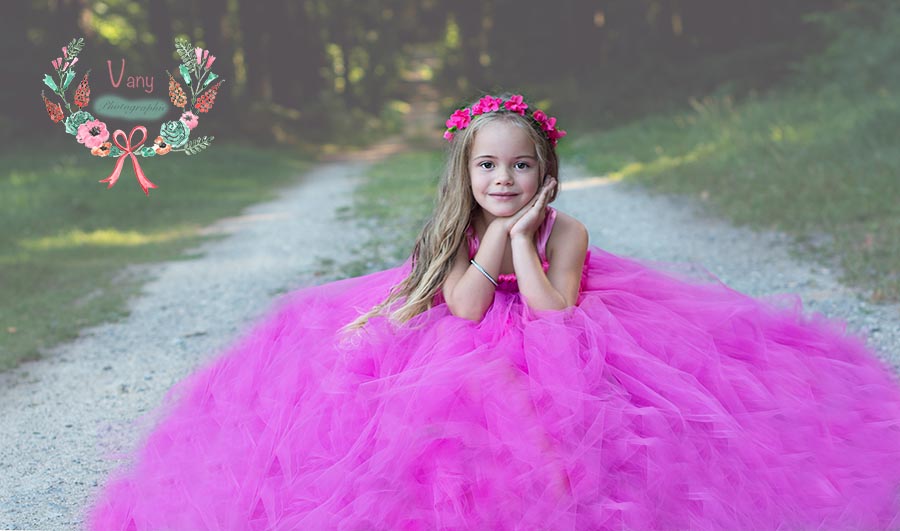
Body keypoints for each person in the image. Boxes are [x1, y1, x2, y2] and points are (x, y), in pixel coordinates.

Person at [88, 93, 900, 530]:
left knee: (580, 419)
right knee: (457, 415)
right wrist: (497, 236)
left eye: (520, 168)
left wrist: (524, 239)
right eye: (488, 166)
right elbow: (469, 308)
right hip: (468, 319)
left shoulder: (568, 230)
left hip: (554, 320)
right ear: (465, 172)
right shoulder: (456, 228)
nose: (503, 180)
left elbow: (553, 314)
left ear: (544, 173)